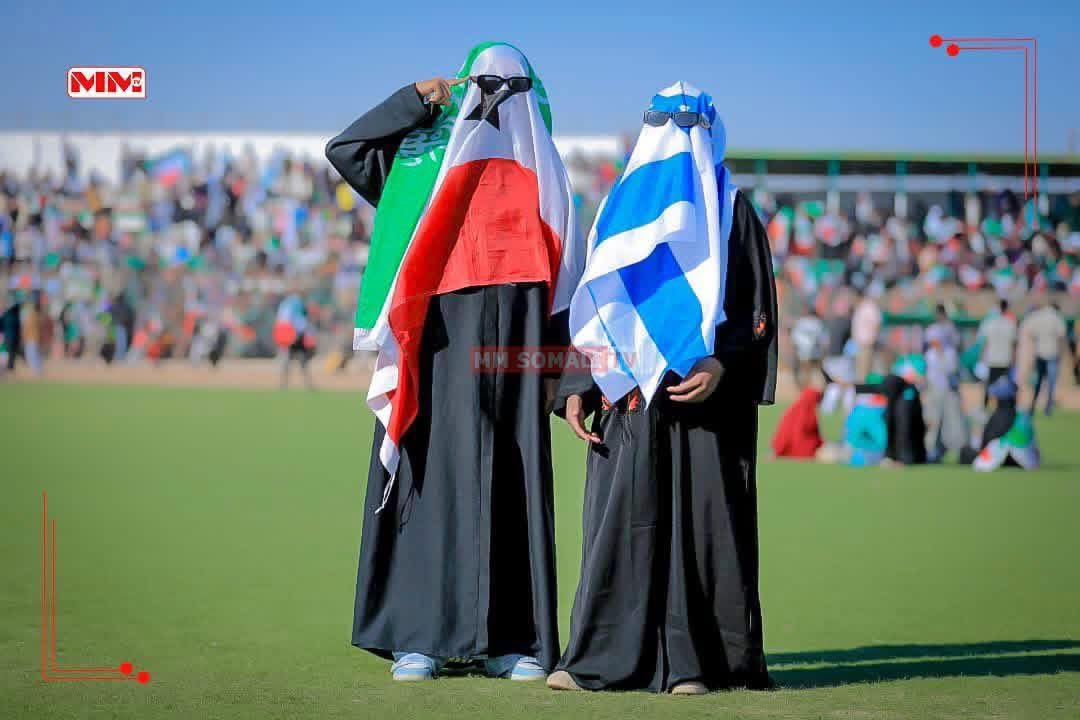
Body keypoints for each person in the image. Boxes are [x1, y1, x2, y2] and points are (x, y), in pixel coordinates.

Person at [325, 43, 582, 682]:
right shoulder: (423, 166)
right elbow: (348, 149)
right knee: (429, 478)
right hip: (434, 352)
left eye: (511, 87)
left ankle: (511, 642)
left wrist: (571, 381)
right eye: (485, 84)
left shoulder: (548, 179)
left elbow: (570, 287)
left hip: (516, 358)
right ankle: (421, 639)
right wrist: (414, 100)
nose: (497, 100)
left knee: (512, 481)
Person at [547, 83, 777, 695]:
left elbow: (756, 312)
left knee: (703, 530)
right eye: (667, 120)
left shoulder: (734, 213)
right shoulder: (617, 209)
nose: (680, 134)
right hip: (627, 401)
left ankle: (698, 665)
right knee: (620, 527)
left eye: (691, 122)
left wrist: (722, 364)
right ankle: (598, 659)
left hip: (707, 405)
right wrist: (577, 383)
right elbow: (592, 307)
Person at [923, 324, 967, 462]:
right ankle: (932, 452)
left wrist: (941, 354)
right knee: (933, 424)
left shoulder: (950, 353)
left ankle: (959, 452)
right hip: (934, 393)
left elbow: (951, 370)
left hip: (949, 393)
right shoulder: (930, 354)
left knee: (954, 423)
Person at [1020, 298, 1067, 416]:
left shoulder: (1039, 315)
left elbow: (1030, 332)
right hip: (1052, 353)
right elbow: (1061, 336)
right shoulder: (1056, 317)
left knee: (1038, 382)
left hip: (1039, 353)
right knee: (1051, 382)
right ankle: (1048, 408)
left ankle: (1032, 406)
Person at [976, 299, 1017, 407]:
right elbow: (1013, 345)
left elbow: (986, 343)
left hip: (993, 359)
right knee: (1008, 385)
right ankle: (1010, 406)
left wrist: (982, 357)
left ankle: (984, 406)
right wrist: (1014, 359)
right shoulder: (1010, 324)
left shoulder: (990, 323)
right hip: (1005, 359)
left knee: (989, 384)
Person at [790, 306, 828, 387]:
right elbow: (824, 340)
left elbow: (794, 338)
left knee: (804, 372)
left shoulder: (801, 322)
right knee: (818, 372)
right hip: (816, 352)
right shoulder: (818, 322)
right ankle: (818, 389)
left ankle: (805, 389)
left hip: (803, 352)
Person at [851, 287, 882, 379]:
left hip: (867, 344)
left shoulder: (869, 306)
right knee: (860, 372)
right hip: (859, 345)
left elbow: (877, 323)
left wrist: (873, 339)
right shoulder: (860, 307)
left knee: (865, 373)